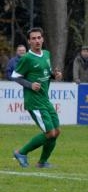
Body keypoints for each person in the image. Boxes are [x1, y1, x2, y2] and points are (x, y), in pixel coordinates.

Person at [11, 27, 63, 168]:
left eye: (39, 37)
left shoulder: (46, 54)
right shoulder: (27, 58)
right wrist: (29, 84)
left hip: (45, 100)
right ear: (29, 41)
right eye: (33, 38)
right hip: (34, 102)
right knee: (50, 132)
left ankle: (42, 162)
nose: (37, 41)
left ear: (43, 39)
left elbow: (47, 72)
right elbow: (15, 76)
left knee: (57, 132)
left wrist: (54, 75)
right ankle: (21, 152)